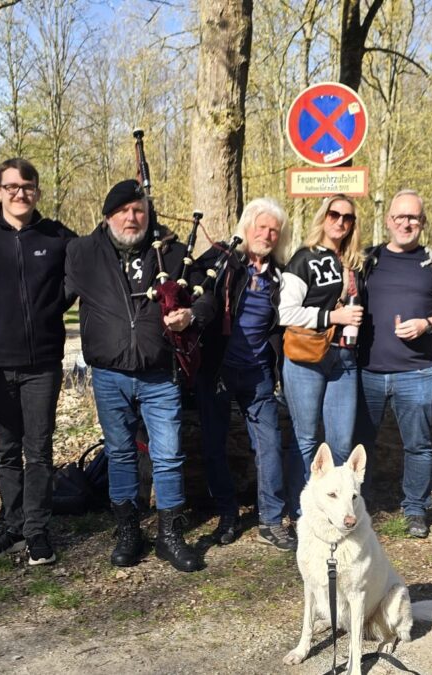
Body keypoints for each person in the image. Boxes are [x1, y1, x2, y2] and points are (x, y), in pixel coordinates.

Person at [64, 179, 214, 573]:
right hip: (109, 373)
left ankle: (169, 536)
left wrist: (191, 315)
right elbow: (48, 299)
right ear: (108, 215)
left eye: (139, 211)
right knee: (120, 453)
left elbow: (208, 297)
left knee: (167, 455)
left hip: (159, 374)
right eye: (123, 211)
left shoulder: (170, 253)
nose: (132, 218)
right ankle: (129, 531)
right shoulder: (82, 254)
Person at [0, 158, 76, 565]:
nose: (19, 193)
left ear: (37, 191)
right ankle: (11, 526)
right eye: (11, 186)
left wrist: (49, 309)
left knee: (39, 451)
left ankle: (37, 531)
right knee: (5, 452)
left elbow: (76, 278)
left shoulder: (58, 236)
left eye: (27, 186)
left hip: (42, 364)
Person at [193, 197, 298, 551]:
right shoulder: (223, 260)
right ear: (247, 226)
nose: (267, 235)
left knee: (268, 444)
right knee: (214, 444)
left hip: (258, 373)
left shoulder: (281, 274)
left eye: (273, 230)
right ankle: (227, 514)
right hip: (218, 369)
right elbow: (194, 292)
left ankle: (271, 520)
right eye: (261, 227)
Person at [357, 189, 432, 538]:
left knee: (418, 445)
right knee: (361, 444)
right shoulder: (367, 259)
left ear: (423, 222)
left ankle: (415, 508)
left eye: (413, 217)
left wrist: (426, 324)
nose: (406, 223)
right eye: (399, 217)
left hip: (416, 371)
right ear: (388, 221)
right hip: (366, 371)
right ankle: (360, 504)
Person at [279, 194, 364, 484]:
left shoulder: (356, 262)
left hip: (344, 359)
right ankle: (300, 508)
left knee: (340, 443)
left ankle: (335, 508)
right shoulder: (304, 257)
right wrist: (332, 317)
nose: (340, 221)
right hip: (307, 356)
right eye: (334, 214)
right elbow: (285, 313)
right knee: (305, 439)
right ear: (323, 217)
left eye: (347, 217)